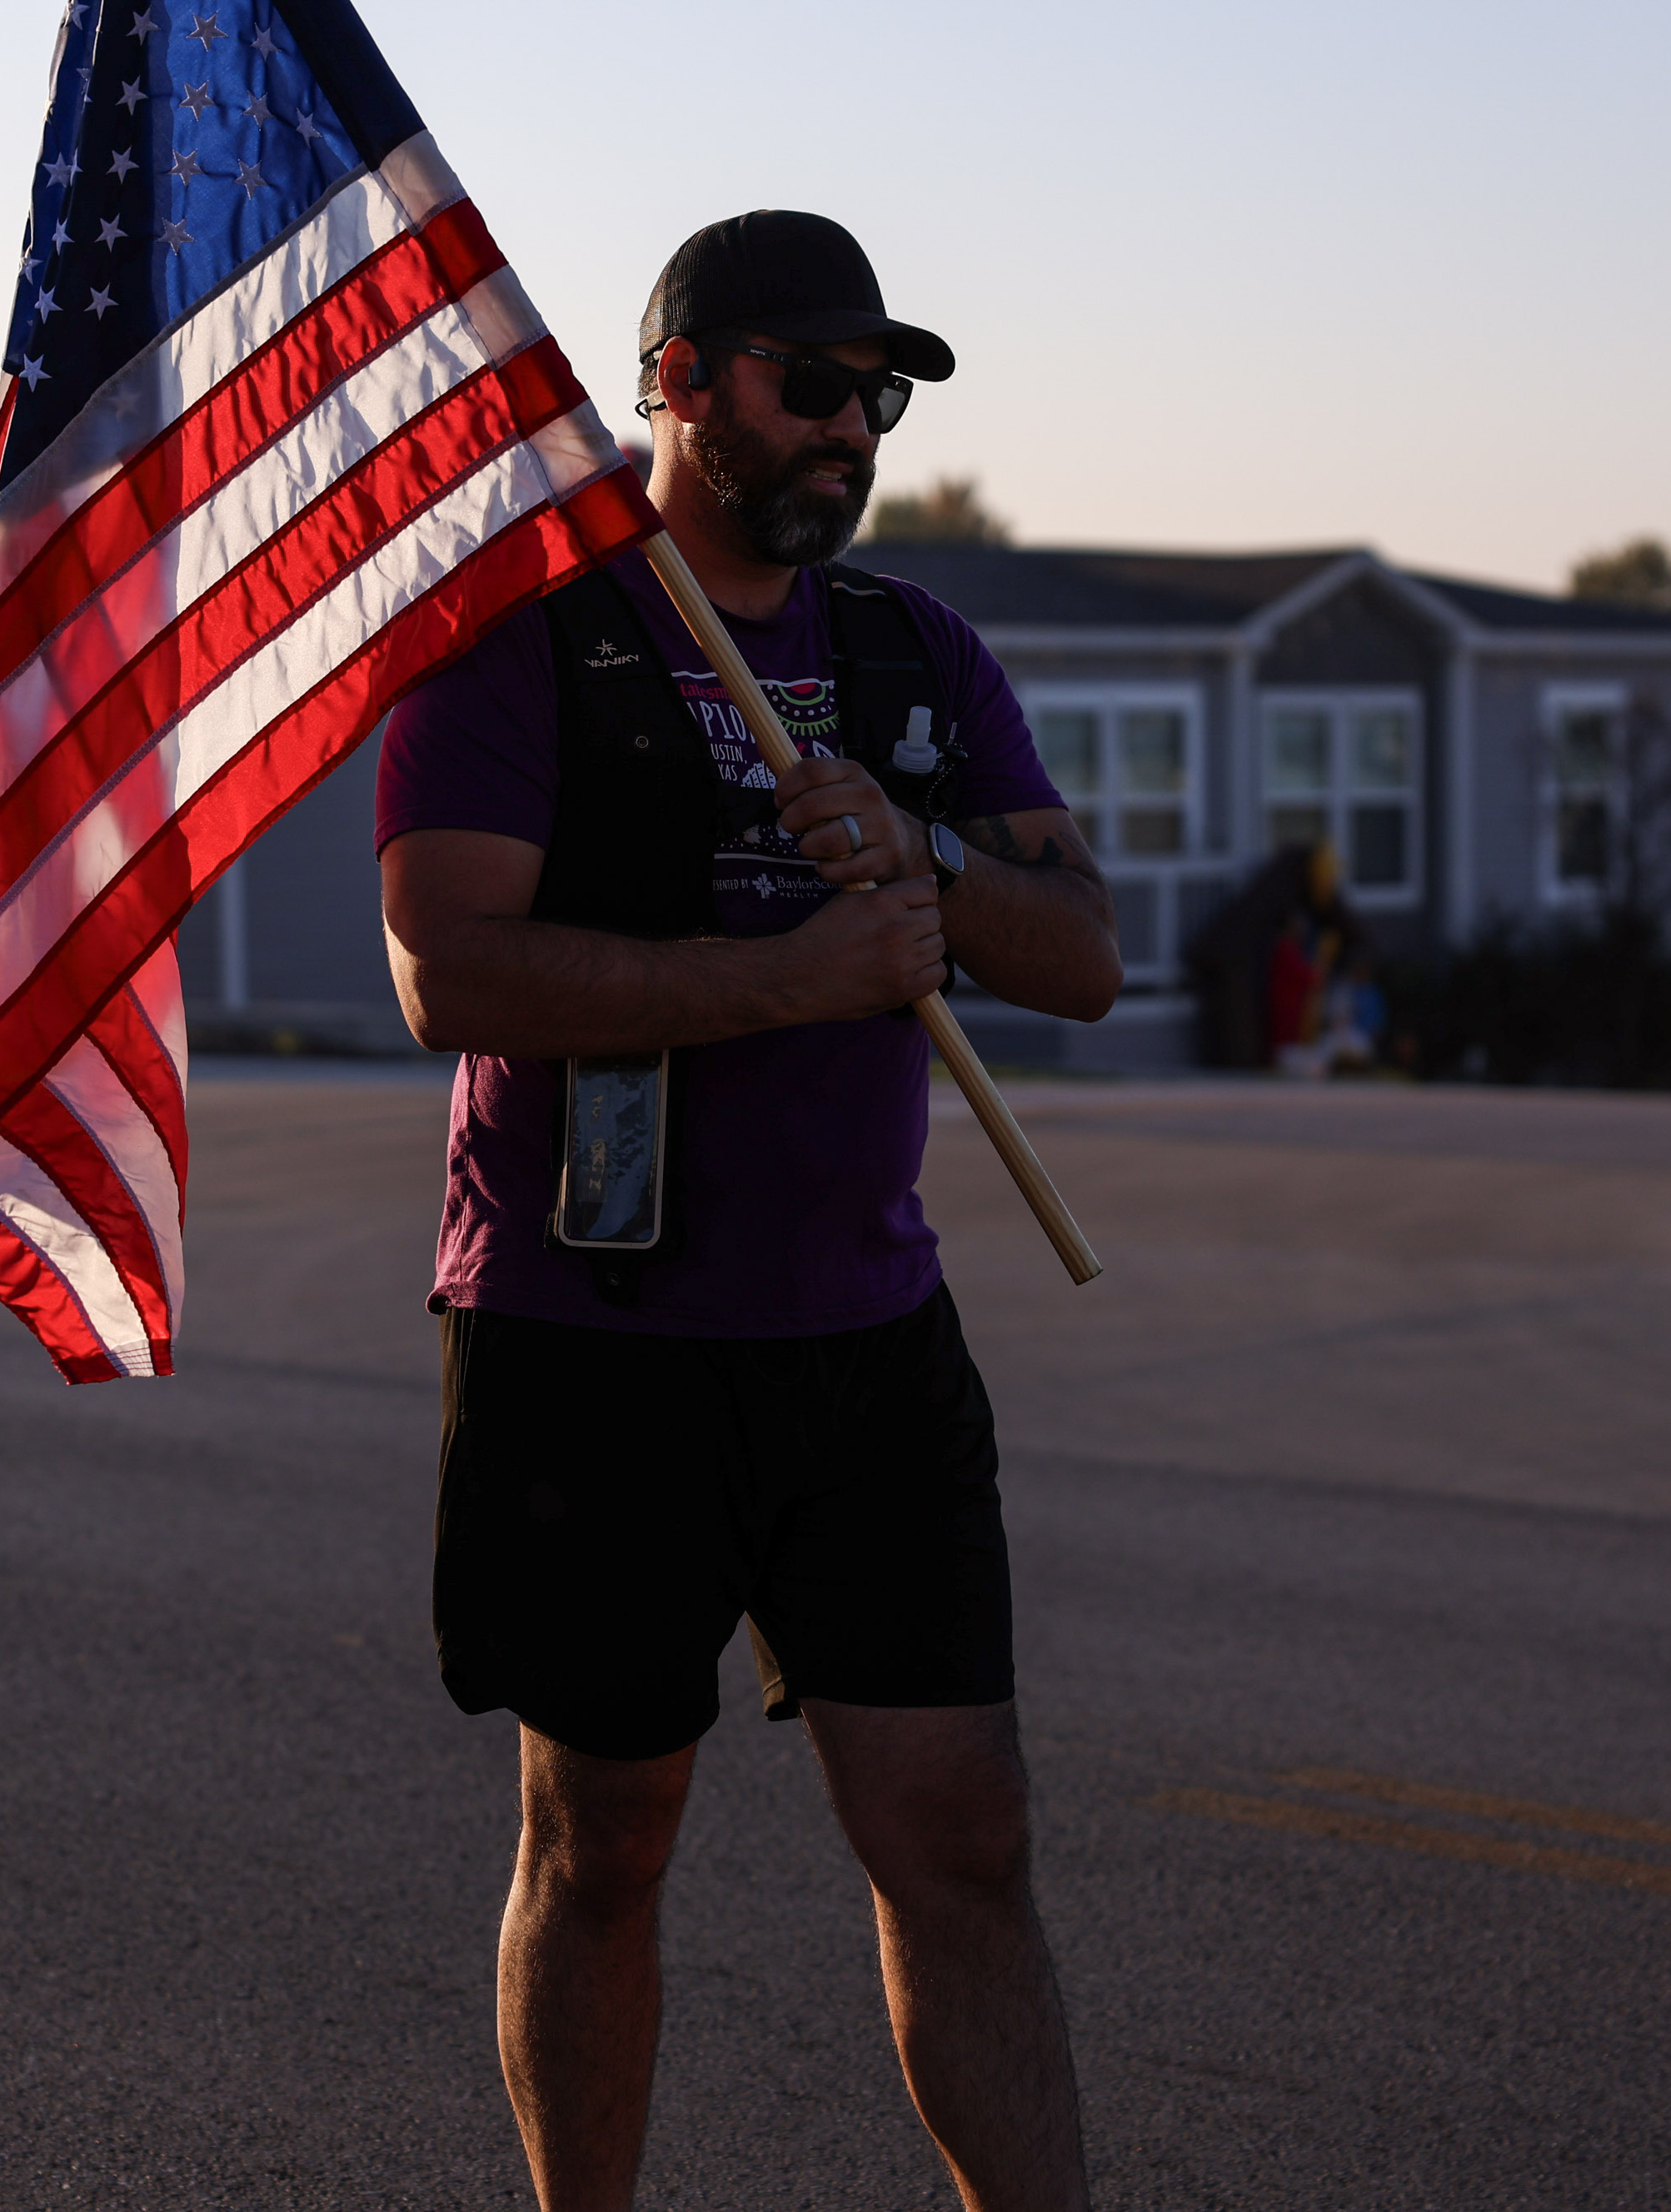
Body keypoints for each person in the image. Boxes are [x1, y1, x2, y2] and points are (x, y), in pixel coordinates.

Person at [374, 209, 1121, 2212]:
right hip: (586, 1332)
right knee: (604, 1832)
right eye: (812, 383)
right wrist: (786, 978)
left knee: (961, 1832)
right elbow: (451, 971)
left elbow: (1087, 954)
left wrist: (927, 863)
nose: (851, 432)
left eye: (879, 397)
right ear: (680, 380)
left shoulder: (911, 656)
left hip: (865, 1337)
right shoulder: (523, 632)